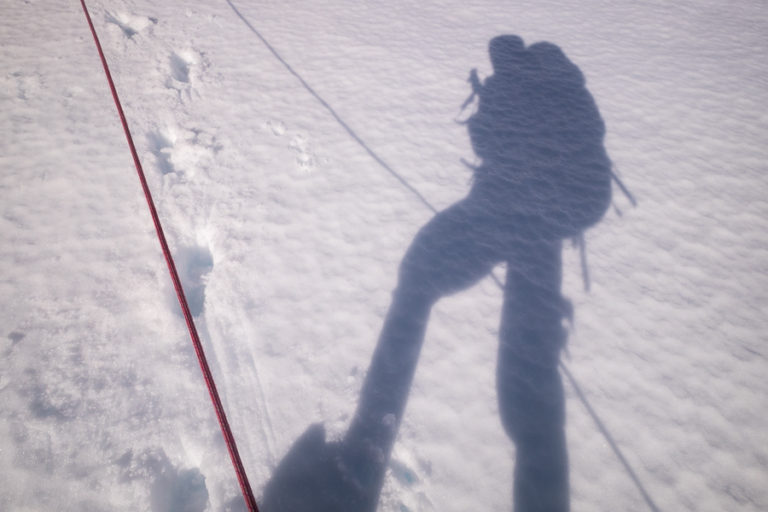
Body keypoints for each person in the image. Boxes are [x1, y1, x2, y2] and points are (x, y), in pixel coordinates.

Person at [262, 35, 612, 512]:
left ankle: (368, 443)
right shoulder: (564, 92)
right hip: (543, 216)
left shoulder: (517, 88)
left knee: (419, 279)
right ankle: (371, 443)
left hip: (513, 208)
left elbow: (487, 140)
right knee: (521, 363)